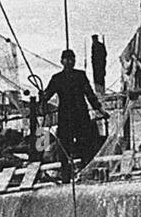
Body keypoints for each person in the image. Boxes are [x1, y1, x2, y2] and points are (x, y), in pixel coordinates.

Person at [43, 49, 105, 181]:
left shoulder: (80, 76)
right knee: (64, 147)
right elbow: (47, 94)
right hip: (65, 117)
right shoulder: (57, 79)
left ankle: (86, 174)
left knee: (86, 146)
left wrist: (99, 109)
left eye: (72, 59)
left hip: (81, 116)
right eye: (67, 59)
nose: (70, 62)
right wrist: (41, 98)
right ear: (62, 61)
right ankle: (65, 176)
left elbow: (90, 95)